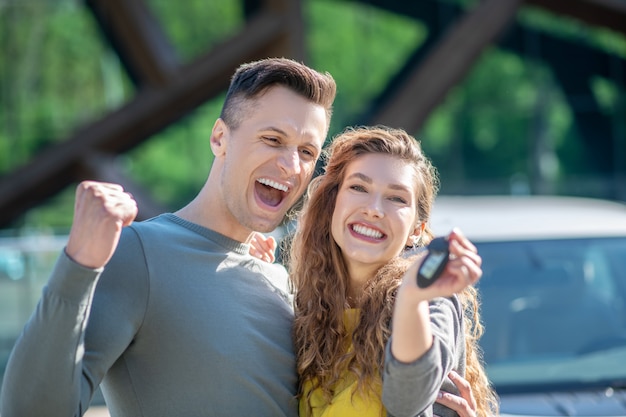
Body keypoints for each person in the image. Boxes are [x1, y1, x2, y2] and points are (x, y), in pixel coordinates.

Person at [0, 57, 337, 417]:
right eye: (273, 139)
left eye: (307, 152)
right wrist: (78, 264)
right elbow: (29, 410)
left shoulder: (276, 278)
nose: (292, 165)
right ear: (220, 138)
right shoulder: (137, 253)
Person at [252, 125, 499, 417]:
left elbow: (407, 400)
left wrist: (411, 298)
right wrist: (254, 271)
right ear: (334, 203)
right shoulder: (305, 306)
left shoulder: (429, 301)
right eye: (358, 187)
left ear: (415, 231)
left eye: (397, 198)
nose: (374, 209)